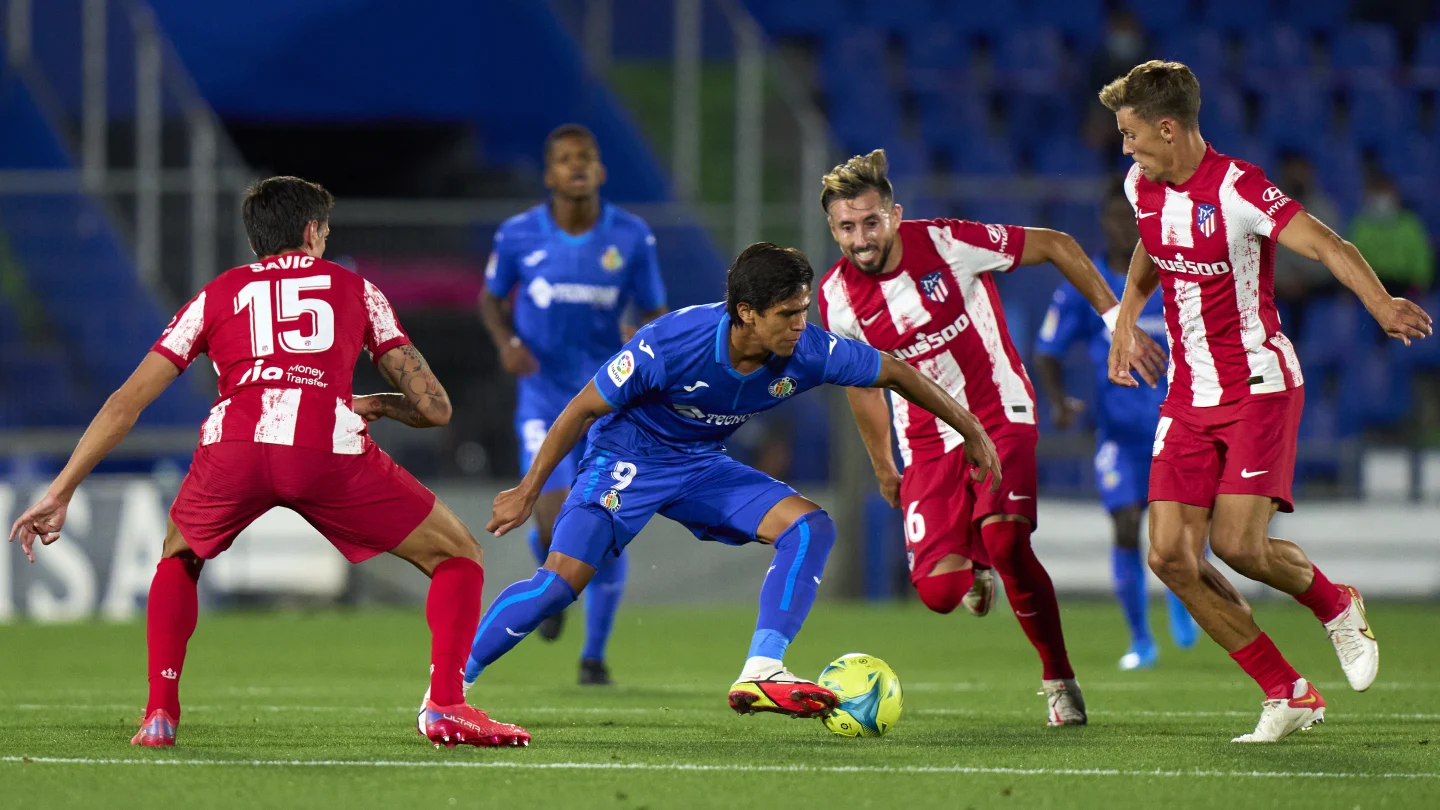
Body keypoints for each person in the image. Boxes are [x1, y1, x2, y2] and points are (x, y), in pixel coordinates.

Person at [7, 176, 529, 749]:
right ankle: (447, 707)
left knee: (178, 557)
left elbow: (124, 404)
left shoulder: (216, 294)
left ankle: (159, 714)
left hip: (234, 449)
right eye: (324, 232)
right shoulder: (357, 289)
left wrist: (60, 490)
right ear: (311, 231)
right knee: (459, 554)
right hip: (324, 449)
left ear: (257, 239)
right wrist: (371, 404)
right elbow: (435, 410)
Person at [450, 242, 1001, 728]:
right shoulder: (670, 342)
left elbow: (895, 372)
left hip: (700, 464)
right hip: (627, 457)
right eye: (787, 314)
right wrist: (528, 490)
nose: (799, 324)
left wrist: (972, 431)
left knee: (810, 527)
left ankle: (762, 670)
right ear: (745, 313)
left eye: (803, 310)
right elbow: (582, 409)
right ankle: (447, 690)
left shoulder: (806, 350)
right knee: (558, 586)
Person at [1100, 60, 1433, 742]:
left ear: (1168, 127)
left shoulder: (1237, 188)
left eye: (1132, 134)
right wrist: (1126, 318)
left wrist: (1379, 303)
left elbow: (1327, 243)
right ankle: (1289, 690)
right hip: (1189, 394)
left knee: (1237, 547)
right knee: (1169, 556)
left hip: (1259, 386)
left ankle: (1336, 603)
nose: (1124, 148)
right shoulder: (1143, 184)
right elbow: (1151, 247)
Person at [817, 149, 1166, 726]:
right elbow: (863, 386)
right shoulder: (835, 298)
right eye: (847, 227)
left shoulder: (949, 244)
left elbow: (1055, 243)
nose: (861, 237)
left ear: (895, 216)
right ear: (833, 230)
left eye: (871, 222)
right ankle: (973, 566)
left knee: (1007, 542)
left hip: (997, 410)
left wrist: (1116, 321)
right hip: (926, 441)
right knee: (939, 593)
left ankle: (1059, 680)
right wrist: (883, 464)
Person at [480, 123, 668, 685]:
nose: (577, 166)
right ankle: (551, 582)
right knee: (554, 511)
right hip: (542, 396)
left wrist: (643, 343)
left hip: (609, 399)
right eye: (565, 159)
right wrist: (507, 343)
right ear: (550, 174)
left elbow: (657, 312)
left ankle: (593, 657)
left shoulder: (631, 237)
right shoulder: (517, 235)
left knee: (606, 520)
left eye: (586, 157)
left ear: (601, 169)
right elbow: (490, 301)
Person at [1032, 179, 1199, 672]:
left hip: (1179, 423)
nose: (1122, 225)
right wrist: (1060, 402)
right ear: (1103, 223)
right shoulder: (1088, 286)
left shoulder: (1176, 275)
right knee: (1127, 528)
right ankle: (1141, 639)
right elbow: (1047, 352)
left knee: (1183, 533)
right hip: (1119, 435)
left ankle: (1181, 597)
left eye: (1130, 217)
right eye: (1113, 217)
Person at [1348, 171, 1434, 296]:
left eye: (1386, 193)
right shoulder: (1361, 226)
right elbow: (1352, 261)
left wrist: (1419, 285)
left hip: (1405, 285)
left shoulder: (1409, 224)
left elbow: (1422, 261)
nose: (1382, 199)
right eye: (1378, 193)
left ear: (1395, 195)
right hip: (1371, 286)